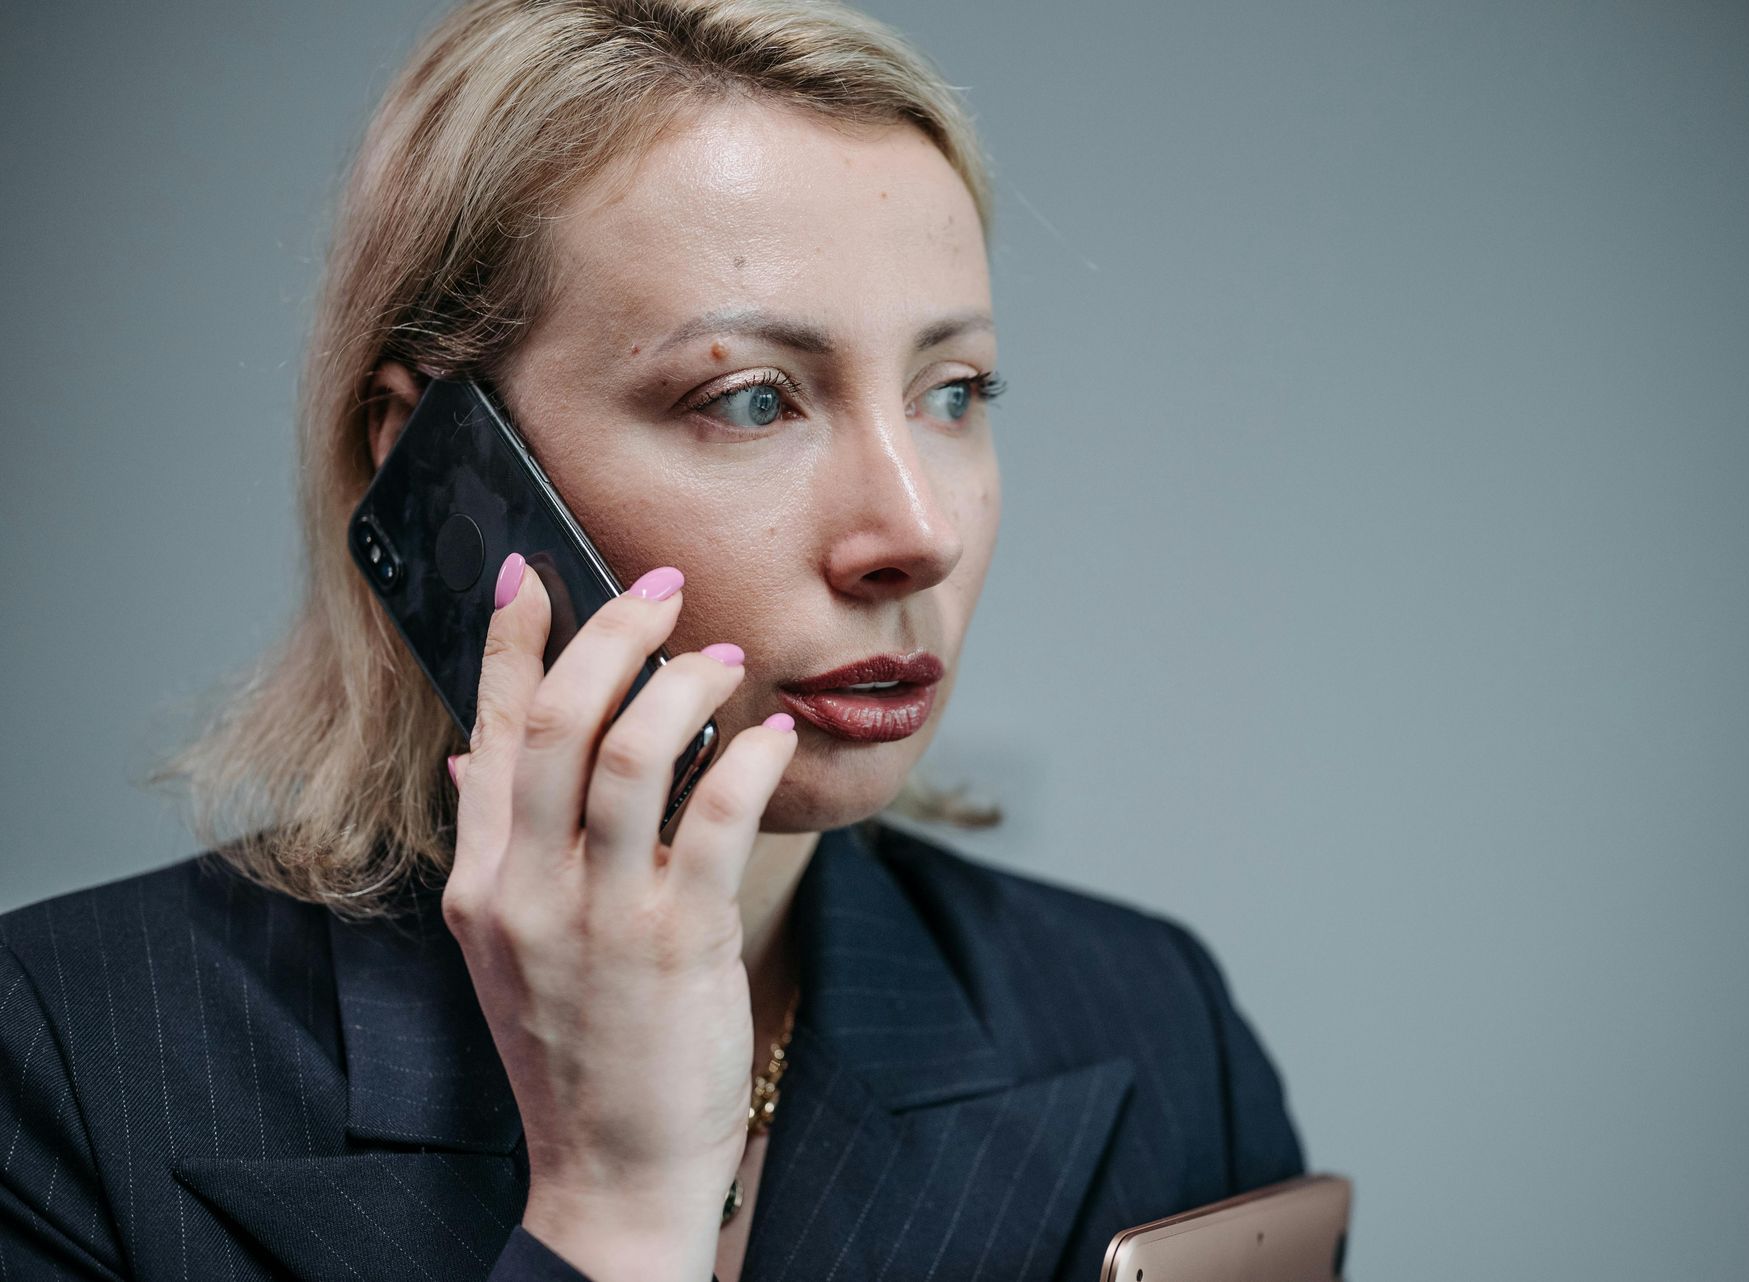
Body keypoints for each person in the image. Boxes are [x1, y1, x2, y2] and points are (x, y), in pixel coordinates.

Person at [0, 1, 1308, 1279]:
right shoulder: (66, 1058)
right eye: (751, 400)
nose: (917, 532)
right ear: (430, 464)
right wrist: (616, 1209)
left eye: (952, 391)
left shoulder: (1156, 1024)